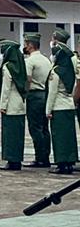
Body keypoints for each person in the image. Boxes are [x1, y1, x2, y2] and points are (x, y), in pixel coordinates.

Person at [46, 30, 77, 175]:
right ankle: (70, 162)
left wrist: (48, 110)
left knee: (59, 137)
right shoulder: (69, 69)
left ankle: (62, 163)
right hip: (69, 105)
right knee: (69, 136)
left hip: (58, 107)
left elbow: (52, 94)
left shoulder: (56, 71)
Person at [24, 33, 53, 168]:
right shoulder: (46, 60)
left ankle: (40, 158)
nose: (25, 46)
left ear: (30, 45)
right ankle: (46, 156)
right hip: (45, 95)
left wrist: (25, 94)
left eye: (26, 44)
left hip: (34, 96)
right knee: (44, 128)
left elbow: (28, 80)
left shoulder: (30, 61)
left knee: (35, 128)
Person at [0, 40, 28, 170]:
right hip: (20, 103)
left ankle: (12, 160)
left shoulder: (8, 67)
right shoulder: (21, 66)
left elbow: (5, 89)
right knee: (18, 135)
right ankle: (18, 159)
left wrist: (2, 105)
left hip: (10, 104)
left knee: (10, 134)